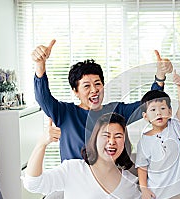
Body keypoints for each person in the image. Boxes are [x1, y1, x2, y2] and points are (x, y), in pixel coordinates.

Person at [31, 39, 172, 161]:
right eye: (86, 86)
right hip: (76, 184)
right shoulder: (65, 113)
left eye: (98, 84)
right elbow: (42, 98)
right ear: (76, 92)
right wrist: (40, 65)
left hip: (110, 182)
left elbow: (149, 105)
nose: (94, 90)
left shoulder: (116, 111)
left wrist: (160, 76)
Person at [22, 113, 147, 199]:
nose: (112, 141)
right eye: (106, 135)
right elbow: (33, 184)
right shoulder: (73, 169)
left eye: (118, 136)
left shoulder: (130, 183)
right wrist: (41, 144)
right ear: (95, 139)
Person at [136, 71, 180, 199]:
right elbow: (142, 167)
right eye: (153, 110)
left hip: (176, 190)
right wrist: (144, 190)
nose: (158, 113)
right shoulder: (144, 140)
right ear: (146, 116)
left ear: (170, 112)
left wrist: (179, 86)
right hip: (156, 191)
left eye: (162, 108)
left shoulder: (174, 126)